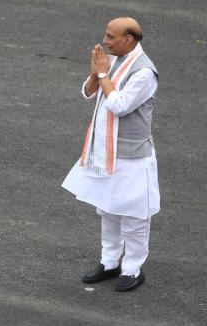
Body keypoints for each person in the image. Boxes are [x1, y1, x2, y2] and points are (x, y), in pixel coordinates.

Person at [62, 17, 159, 292]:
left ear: (129, 39)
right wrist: (96, 74)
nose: (105, 40)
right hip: (107, 152)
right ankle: (110, 262)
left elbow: (119, 105)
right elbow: (88, 93)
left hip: (133, 156)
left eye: (111, 36)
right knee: (108, 211)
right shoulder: (115, 59)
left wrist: (104, 75)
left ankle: (132, 268)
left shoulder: (145, 72)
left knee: (135, 217)